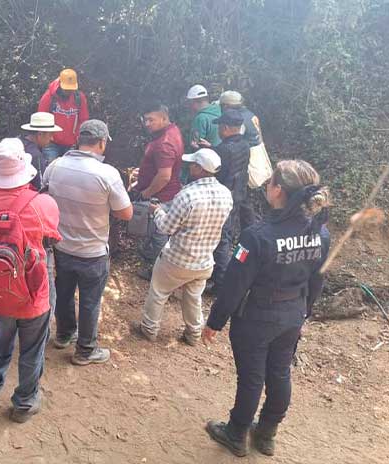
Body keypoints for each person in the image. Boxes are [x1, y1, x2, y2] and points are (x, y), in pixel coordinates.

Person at [203, 160, 331, 457]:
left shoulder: (257, 235)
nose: (267, 185)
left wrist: (215, 321)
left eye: (271, 181)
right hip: (292, 314)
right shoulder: (320, 233)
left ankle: (236, 432)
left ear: (279, 191)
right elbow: (317, 280)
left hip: (257, 317)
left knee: (251, 377)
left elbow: (234, 285)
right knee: (280, 372)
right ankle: (267, 432)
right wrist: (304, 314)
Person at [0, 138, 60, 423]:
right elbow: (52, 235)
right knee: (32, 348)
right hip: (32, 291)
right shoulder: (41, 203)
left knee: (2, 337)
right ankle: (24, 402)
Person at [44, 120, 133, 365]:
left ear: (78, 140)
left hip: (62, 246)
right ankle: (85, 350)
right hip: (93, 251)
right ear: (102, 142)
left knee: (63, 294)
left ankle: (63, 334)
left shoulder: (55, 166)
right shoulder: (107, 174)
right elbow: (125, 214)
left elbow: (46, 197)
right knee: (90, 301)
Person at [130, 149, 232, 345]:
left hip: (176, 259)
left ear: (198, 169)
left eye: (193, 164)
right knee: (193, 297)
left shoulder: (188, 195)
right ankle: (193, 334)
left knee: (158, 291)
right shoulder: (226, 194)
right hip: (204, 261)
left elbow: (166, 226)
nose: (190, 166)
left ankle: (149, 329)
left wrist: (157, 210)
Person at [130, 103, 184, 279]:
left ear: (164, 118)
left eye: (151, 119)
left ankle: (157, 270)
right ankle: (151, 256)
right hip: (167, 193)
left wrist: (145, 193)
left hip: (161, 196)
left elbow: (164, 176)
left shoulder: (164, 143)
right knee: (157, 231)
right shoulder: (172, 131)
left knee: (159, 232)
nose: (147, 123)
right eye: (145, 119)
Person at [19, 112, 63, 313]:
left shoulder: (20, 145)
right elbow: (39, 187)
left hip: (16, 211)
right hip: (30, 212)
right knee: (44, 268)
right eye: (48, 135)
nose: (51, 139)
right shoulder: (35, 156)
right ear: (38, 134)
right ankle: (46, 313)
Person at [209, 109, 251, 293]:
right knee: (227, 236)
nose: (219, 130)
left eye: (220, 126)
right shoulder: (245, 145)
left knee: (221, 239)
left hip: (223, 198)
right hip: (238, 196)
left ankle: (221, 283)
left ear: (225, 127)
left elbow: (217, 170)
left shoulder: (223, 150)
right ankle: (219, 278)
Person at [220, 90, 263, 228]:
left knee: (243, 203)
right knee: (245, 201)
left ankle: (248, 233)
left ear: (226, 106)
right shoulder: (251, 115)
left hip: (244, 163)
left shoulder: (239, 120)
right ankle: (249, 232)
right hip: (257, 159)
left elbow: (236, 143)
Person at [37, 69, 89, 165]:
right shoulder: (49, 97)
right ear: (60, 84)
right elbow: (41, 119)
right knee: (51, 172)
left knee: (69, 174)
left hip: (71, 144)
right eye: (66, 89)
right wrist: (46, 138)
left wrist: (77, 137)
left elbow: (83, 120)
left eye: (71, 89)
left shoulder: (79, 98)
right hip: (51, 144)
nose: (69, 91)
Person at [186, 84, 221, 150]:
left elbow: (196, 144)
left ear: (193, 101)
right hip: (220, 154)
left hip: (206, 157)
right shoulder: (219, 110)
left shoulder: (200, 118)